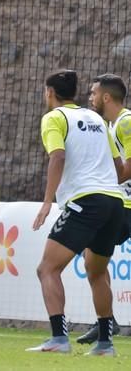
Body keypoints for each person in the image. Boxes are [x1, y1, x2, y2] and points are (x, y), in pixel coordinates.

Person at [28, 70, 124, 356]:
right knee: (97, 272)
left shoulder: (54, 118)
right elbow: (118, 168)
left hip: (86, 201)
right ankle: (105, 344)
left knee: (47, 268)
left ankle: (58, 338)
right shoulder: (98, 119)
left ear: (49, 93)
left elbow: (58, 156)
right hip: (113, 201)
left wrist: (47, 202)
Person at [76, 73, 131, 343]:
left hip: (126, 206)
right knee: (93, 260)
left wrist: (101, 181)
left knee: (93, 261)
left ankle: (106, 323)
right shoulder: (110, 126)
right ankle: (106, 322)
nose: (90, 97)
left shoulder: (126, 123)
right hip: (120, 205)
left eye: (93, 93)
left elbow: (129, 167)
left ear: (106, 97)